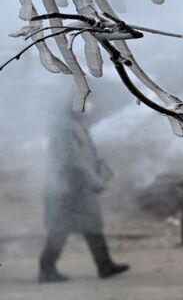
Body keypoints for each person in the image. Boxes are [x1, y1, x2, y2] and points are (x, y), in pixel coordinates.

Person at [39, 97, 129, 283]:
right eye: (86, 103)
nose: (90, 107)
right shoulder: (65, 128)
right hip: (67, 189)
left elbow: (83, 156)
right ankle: (47, 268)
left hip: (78, 188)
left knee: (91, 225)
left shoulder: (76, 125)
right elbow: (72, 160)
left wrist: (97, 169)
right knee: (60, 228)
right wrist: (94, 179)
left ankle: (104, 265)